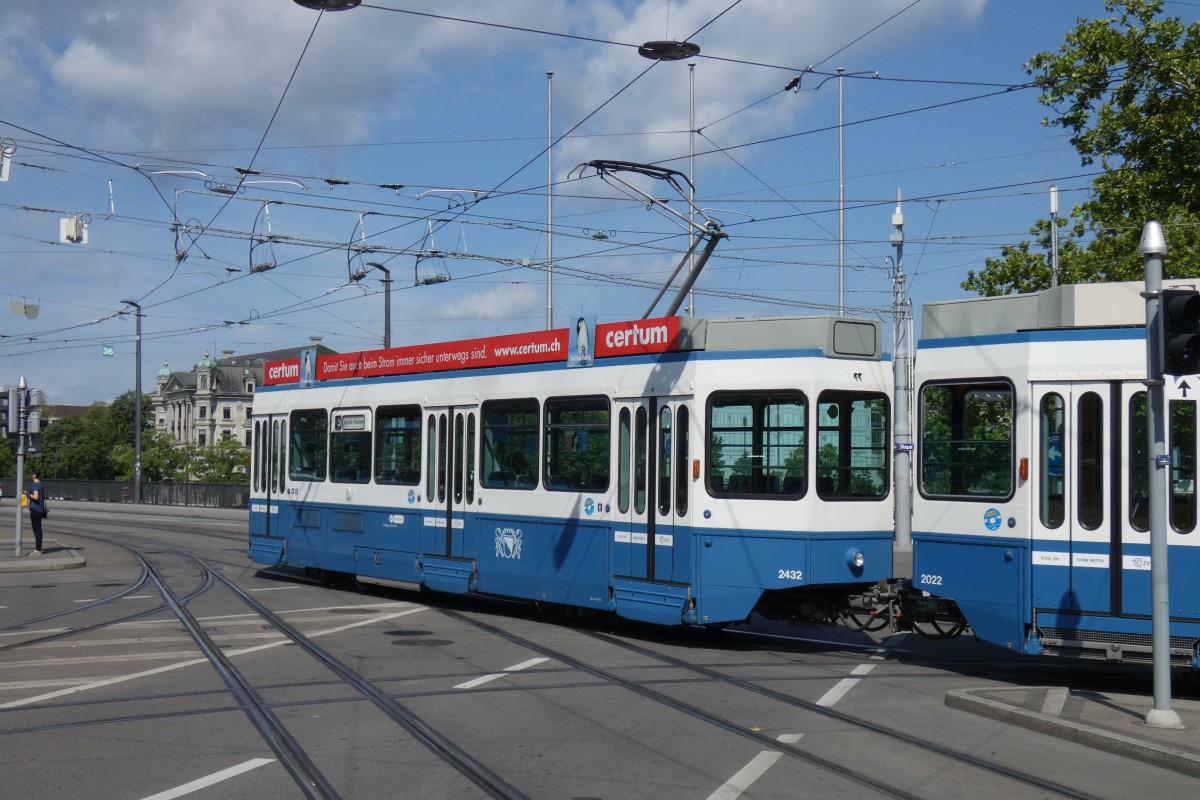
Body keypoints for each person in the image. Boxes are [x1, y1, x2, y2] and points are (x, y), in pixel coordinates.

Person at [23, 470, 46, 555]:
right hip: (39, 509)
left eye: (31, 474)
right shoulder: (40, 484)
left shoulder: (35, 484)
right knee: (38, 529)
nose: (30, 475)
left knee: (37, 529)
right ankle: (38, 548)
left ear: (35, 475)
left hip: (35, 509)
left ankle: (38, 550)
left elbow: (36, 497)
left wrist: (27, 494)